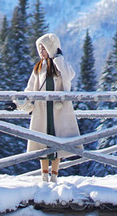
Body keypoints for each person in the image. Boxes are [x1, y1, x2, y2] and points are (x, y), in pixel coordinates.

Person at [11, 32, 80, 183]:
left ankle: (54, 175)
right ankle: (43, 175)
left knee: (58, 142)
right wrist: (17, 103)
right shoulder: (38, 68)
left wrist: (58, 59)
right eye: (40, 49)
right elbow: (30, 89)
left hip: (58, 110)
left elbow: (69, 76)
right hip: (42, 110)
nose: (41, 52)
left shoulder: (61, 66)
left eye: (44, 49)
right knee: (41, 141)